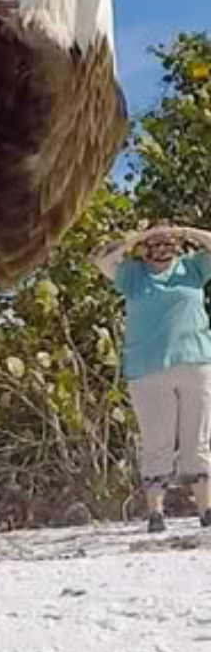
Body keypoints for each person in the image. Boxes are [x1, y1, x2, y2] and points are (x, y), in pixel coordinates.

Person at [93, 223, 211, 531]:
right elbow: (102, 260)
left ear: (177, 247)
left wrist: (185, 230)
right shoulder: (132, 275)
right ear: (145, 249)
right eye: (154, 246)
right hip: (147, 371)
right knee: (157, 441)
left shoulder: (193, 268)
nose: (161, 251)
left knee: (196, 440)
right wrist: (140, 237)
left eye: (167, 245)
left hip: (194, 362)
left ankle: (206, 509)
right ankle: (156, 513)